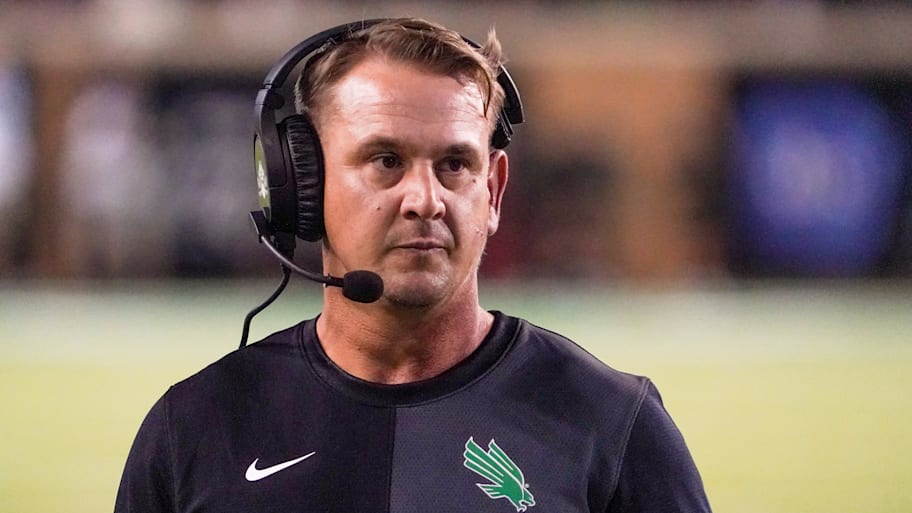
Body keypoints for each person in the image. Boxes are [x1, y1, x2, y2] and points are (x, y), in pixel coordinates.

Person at [115, 17, 712, 513]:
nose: (425, 199)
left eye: (455, 165)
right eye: (385, 160)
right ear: (303, 184)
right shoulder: (195, 427)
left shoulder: (613, 426)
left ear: (494, 192)